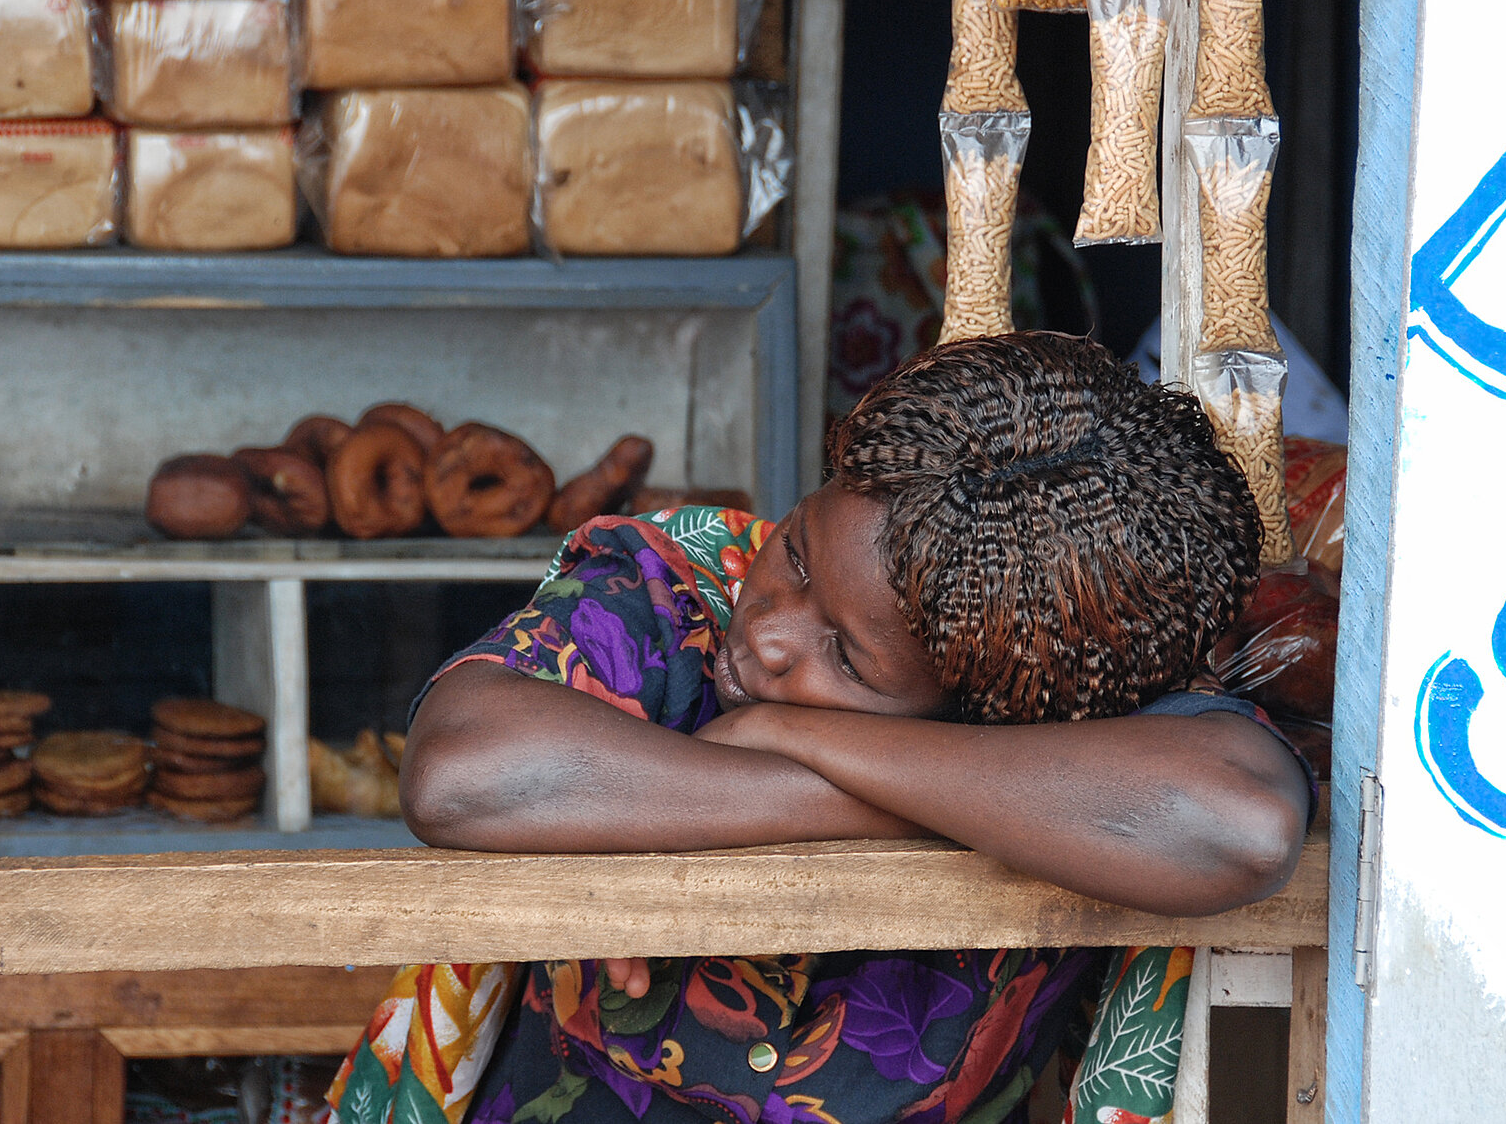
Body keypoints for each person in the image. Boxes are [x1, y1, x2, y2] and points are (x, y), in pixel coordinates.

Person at [332, 332, 1313, 1124]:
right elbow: (461, 772)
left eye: (844, 658)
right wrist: (879, 796)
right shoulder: (676, 592)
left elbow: (1237, 822)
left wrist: (791, 742)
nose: (763, 635)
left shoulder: (1081, 695)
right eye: (796, 553)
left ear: (1001, 704)